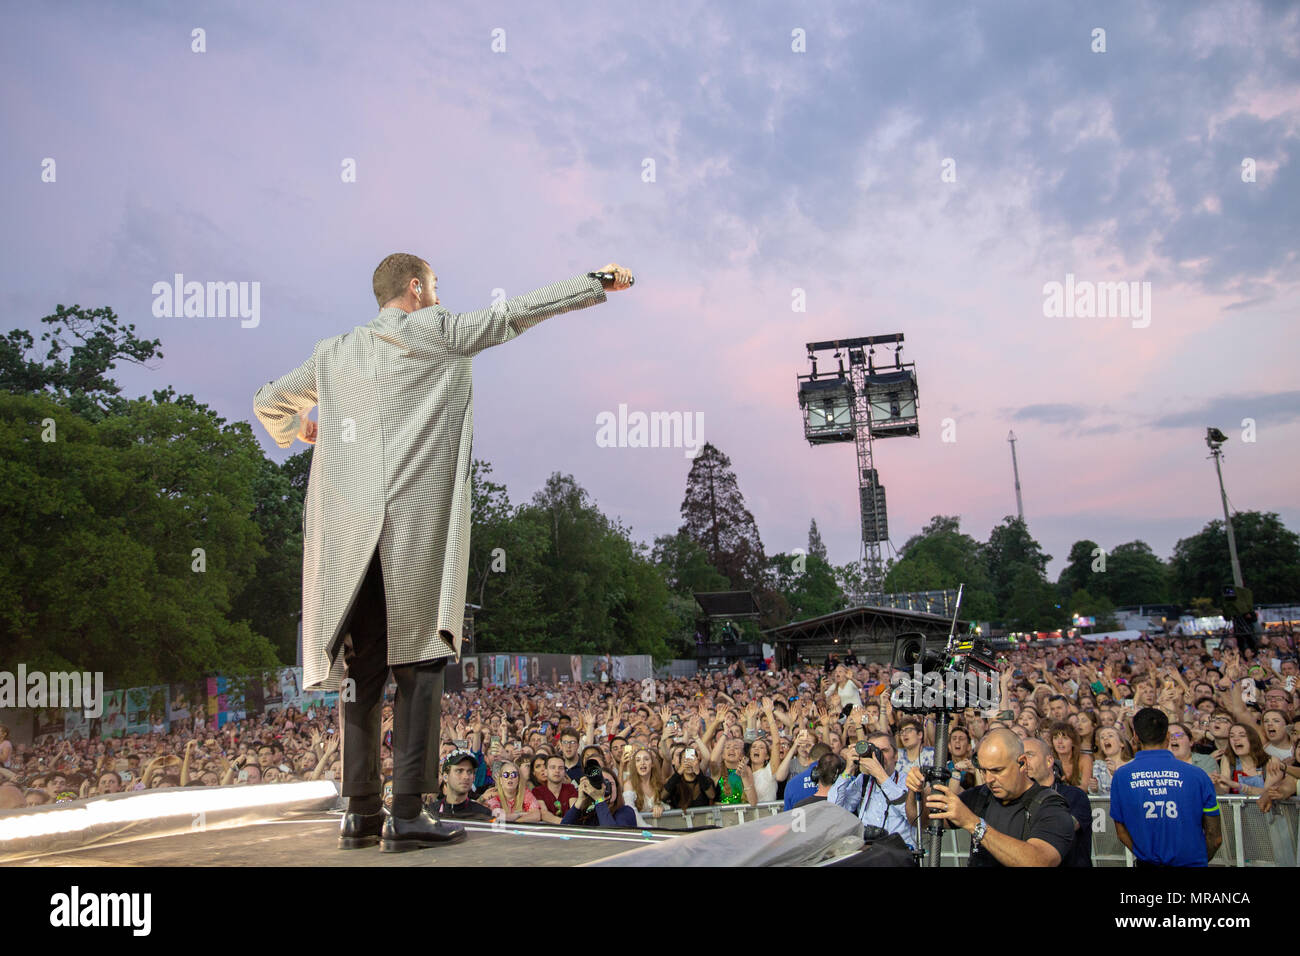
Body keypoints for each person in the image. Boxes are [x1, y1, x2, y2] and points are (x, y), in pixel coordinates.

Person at [253, 255, 630, 854]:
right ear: (415, 288)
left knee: (362, 675)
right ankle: (406, 815)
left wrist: (300, 430)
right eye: (435, 285)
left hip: (349, 540)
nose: (438, 294)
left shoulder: (333, 354)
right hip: (410, 533)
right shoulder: (440, 330)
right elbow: (516, 312)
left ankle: (358, 814)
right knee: (421, 664)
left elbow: (269, 400)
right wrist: (593, 283)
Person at [905, 728, 1075, 867]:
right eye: (983, 771)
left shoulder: (1050, 805)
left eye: (997, 770)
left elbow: (1039, 861)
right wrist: (915, 791)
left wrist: (974, 824)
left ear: (1022, 763)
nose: (989, 779)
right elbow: (921, 819)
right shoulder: (981, 796)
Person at [1109, 708, 1221, 867]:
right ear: (1168, 737)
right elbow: (1215, 838)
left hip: (1146, 862)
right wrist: (1198, 859)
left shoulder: (1121, 776)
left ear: (1135, 737)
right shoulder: (1198, 775)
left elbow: (1121, 832)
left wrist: (1146, 856)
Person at [826, 733, 915, 848]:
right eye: (873, 751)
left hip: (899, 854)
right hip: (868, 854)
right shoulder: (864, 780)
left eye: (884, 750)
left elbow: (913, 817)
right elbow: (834, 809)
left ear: (896, 755)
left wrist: (882, 777)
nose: (877, 755)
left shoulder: (908, 782)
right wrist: (848, 770)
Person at [1022, 737, 1091, 867]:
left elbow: (1062, 830)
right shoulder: (1017, 799)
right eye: (1020, 758)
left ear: (1049, 761)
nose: (1024, 762)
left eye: (1029, 755)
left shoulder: (1074, 795)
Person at [429, 749, 493, 824]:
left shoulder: (483, 814)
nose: (466, 776)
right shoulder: (431, 812)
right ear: (446, 777)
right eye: (459, 771)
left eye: (469, 772)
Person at [561, 766, 636, 828]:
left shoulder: (626, 811)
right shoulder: (587, 813)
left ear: (617, 788)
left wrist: (599, 799)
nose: (605, 787)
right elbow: (563, 829)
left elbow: (612, 836)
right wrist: (580, 800)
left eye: (610, 783)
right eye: (600, 783)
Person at [484, 759, 541, 823]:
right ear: (500, 780)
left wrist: (515, 823)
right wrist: (519, 814)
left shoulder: (525, 793)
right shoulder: (494, 795)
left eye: (514, 774)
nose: (510, 777)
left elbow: (536, 815)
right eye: (506, 775)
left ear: (519, 779)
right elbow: (497, 817)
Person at [533, 755, 579, 824]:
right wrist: (565, 823)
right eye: (553, 767)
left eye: (560, 768)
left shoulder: (570, 788)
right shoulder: (537, 791)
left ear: (564, 772)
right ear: (545, 771)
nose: (557, 771)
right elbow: (544, 814)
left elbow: (574, 812)